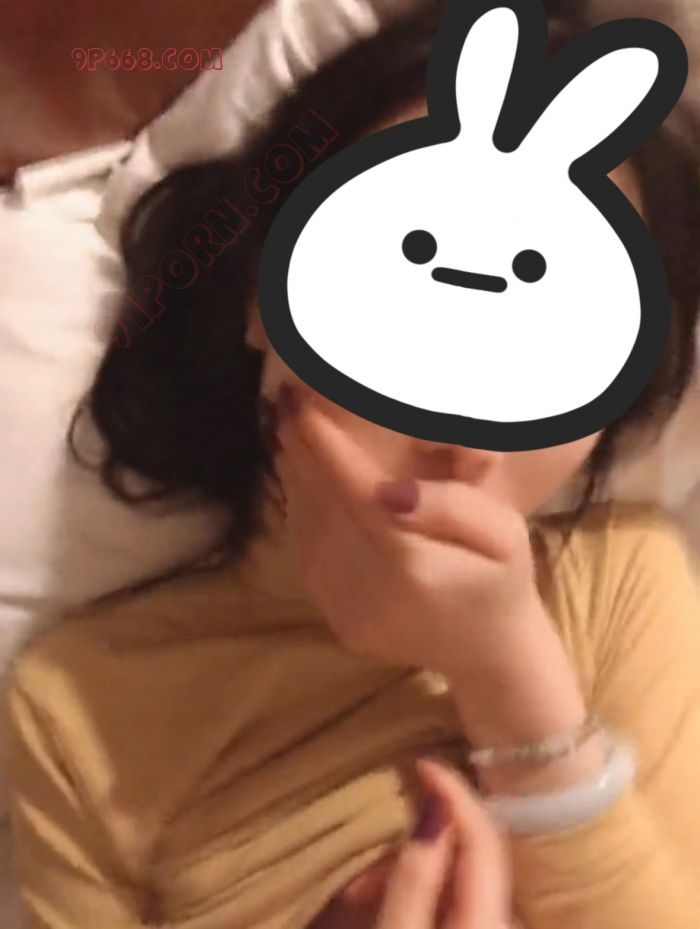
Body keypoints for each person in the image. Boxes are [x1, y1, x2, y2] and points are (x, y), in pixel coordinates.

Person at [6, 3, 700, 928]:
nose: (468, 433)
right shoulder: (80, 715)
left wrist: (509, 677)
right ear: (263, 301)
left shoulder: (618, 586)